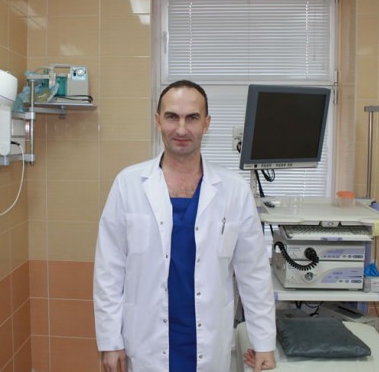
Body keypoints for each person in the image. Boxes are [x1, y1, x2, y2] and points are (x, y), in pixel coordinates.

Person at [93, 80, 276, 372]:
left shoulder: (234, 191)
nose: (181, 129)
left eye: (192, 118)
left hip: (208, 341)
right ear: (158, 121)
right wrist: (110, 341)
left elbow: (253, 273)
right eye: (172, 117)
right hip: (145, 341)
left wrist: (263, 341)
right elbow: (109, 271)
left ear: (206, 123)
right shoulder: (128, 184)